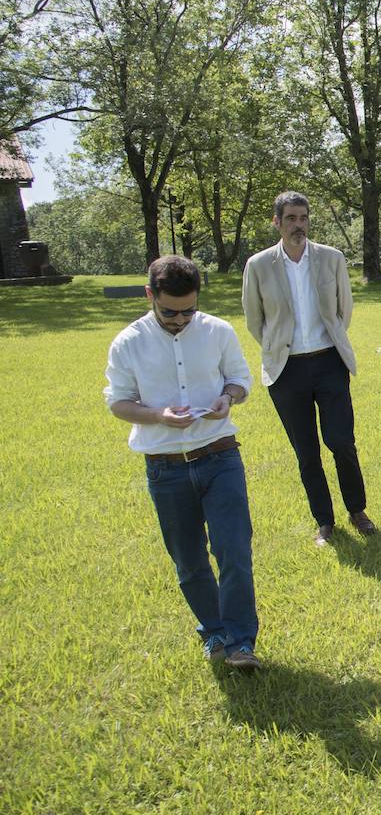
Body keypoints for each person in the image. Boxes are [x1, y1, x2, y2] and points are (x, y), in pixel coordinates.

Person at [104, 255, 263, 671]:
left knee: (233, 551)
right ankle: (214, 631)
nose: (180, 320)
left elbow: (240, 380)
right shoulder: (128, 342)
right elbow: (118, 402)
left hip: (220, 455)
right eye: (170, 312)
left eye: (188, 311)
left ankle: (241, 643)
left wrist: (227, 398)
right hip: (165, 467)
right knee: (189, 561)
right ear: (150, 295)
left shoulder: (217, 331)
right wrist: (158, 415)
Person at [242, 191, 377, 548]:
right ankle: (324, 521)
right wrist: (278, 348)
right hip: (286, 371)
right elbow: (254, 319)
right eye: (290, 218)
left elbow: (344, 309)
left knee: (342, 442)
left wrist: (330, 342)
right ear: (277, 222)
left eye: (303, 218)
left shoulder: (331, 258)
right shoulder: (258, 265)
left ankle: (357, 510)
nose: (298, 225)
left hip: (329, 362)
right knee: (306, 452)